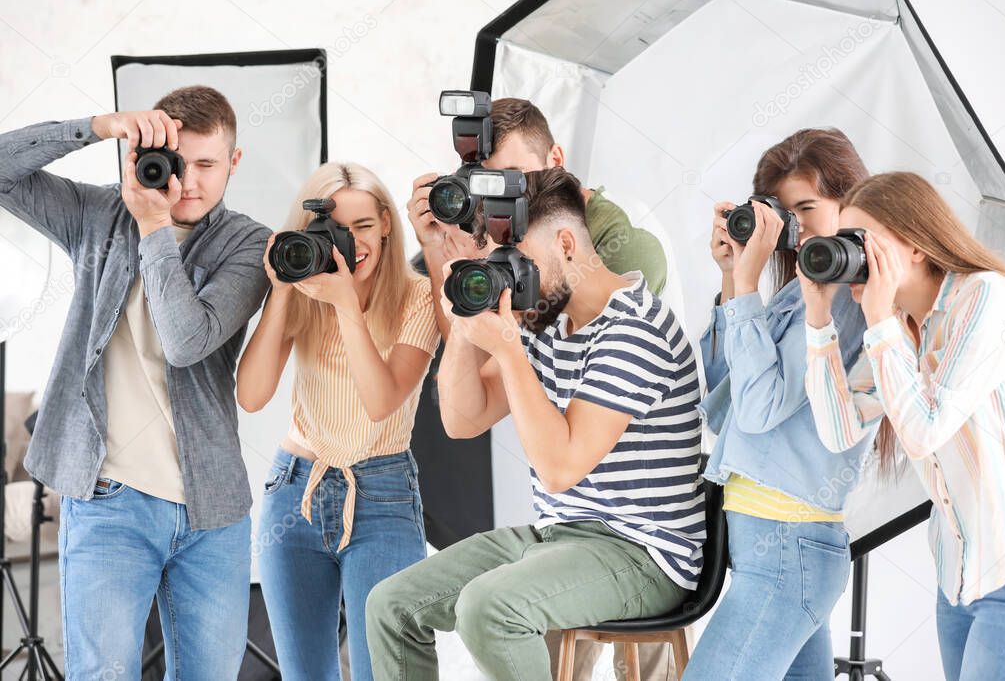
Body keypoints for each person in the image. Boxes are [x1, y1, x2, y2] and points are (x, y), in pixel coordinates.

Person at [365, 167, 704, 681]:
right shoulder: (550, 319)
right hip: (557, 536)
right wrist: (463, 317)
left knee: (488, 607)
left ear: (567, 243)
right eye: (502, 260)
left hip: (643, 554)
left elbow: (558, 469)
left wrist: (506, 346)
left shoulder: (636, 330)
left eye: (521, 260)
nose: (511, 274)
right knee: (391, 605)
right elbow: (462, 421)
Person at [0, 86, 270, 677]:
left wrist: (153, 227)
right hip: (106, 504)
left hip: (212, 513)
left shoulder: (251, 245)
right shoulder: (98, 217)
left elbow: (186, 341)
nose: (190, 182)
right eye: (179, 163)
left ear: (235, 161)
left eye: (208, 164)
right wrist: (98, 125)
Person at [802, 171, 1005, 681]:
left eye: (864, 243)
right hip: (959, 576)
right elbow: (838, 431)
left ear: (918, 245)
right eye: (845, 243)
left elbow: (926, 429)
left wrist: (878, 319)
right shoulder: (899, 330)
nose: (855, 258)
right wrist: (819, 320)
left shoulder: (986, 298)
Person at [237, 162, 440, 680]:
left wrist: (348, 309)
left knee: (385, 670)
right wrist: (282, 291)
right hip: (294, 491)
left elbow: (381, 401)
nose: (351, 243)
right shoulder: (305, 293)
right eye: (337, 230)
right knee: (306, 674)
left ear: (388, 224)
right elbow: (252, 395)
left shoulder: (418, 297)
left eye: (364, 226)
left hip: (382, 496)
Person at [683, 129, 874, 680]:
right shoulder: (798, 290)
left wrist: (747, 286)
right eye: (782, 211)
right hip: (773, 549)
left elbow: (761, 409)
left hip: (786, 549)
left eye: (808, 208)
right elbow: (724, 403)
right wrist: (730, 278)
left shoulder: (838, 301)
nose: (794, 226)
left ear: (850, 203)